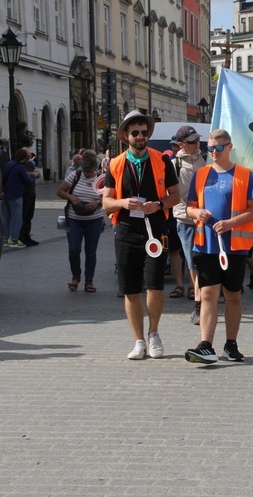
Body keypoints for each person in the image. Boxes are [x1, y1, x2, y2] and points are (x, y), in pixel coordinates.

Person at [101, 110, 180, 360]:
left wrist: (159, 205)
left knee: (155, 286)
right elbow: (106, 203)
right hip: (126, 231)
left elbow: (175, 196)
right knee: (131, 289)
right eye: (135, 132)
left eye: (144, 132)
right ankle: (138, 340)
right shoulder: (115, 164)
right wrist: (123, 203)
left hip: (155, 230)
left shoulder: (161, 160)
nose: (140, 136)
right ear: (126, 136)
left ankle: (154, 334)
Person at [184, 129, 253, 364]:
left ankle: (231, 345)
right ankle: (205, 345)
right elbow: (189, 207)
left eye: (219, 148)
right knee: (207, 294)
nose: (214, 152)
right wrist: (197, 212)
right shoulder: (201, 175)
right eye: (210, 148)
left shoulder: (244, 175)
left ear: (229, 147)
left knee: (233, 296)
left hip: (234, 246)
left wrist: (230, 223)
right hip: (205, 245)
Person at [171, 125, 209, 324]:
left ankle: (203, 300)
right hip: (185, 220)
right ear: (181, 145)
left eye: (197, 141)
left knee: (204, 261)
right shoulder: (174, 164)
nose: (197, 144)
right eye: (192, 142)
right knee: (193, 263)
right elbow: (171, 193)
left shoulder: (206, 159)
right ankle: (198, 303)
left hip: (206, 219)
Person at [56, 149, 105, 292]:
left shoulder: (101, 179)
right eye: (85, 171)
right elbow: (60, 191)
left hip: (94, 220)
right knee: (74, 249)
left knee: (91, 251)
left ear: (95, 168)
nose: (88, 175)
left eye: (90, 172)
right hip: (74, 219)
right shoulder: (75, 176)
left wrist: (97, 203)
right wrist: (72, 198)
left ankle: (89, 281)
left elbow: (109, 197)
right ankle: (75, 276)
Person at [2, 148, 40, 249]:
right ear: (25, 157)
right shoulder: (20, 167)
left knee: (7, 217)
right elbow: (29, 181)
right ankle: (14, 240)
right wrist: (34, 175)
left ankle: (5, 239)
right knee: (16, 219)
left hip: (6, 194)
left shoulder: (9, 164)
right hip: (16, 194)